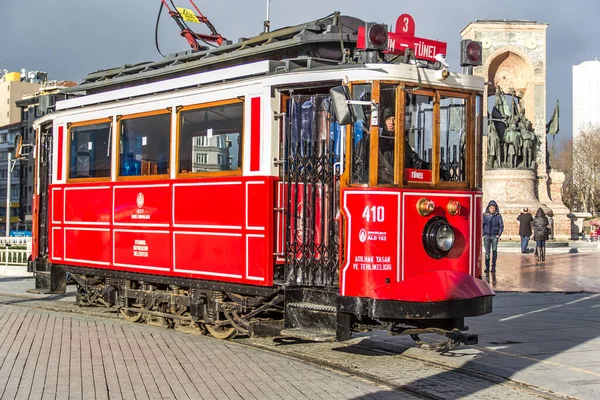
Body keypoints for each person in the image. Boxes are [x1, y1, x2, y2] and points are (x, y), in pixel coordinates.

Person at [482, 200, 503, 273]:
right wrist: (483, 234)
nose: (492, 209)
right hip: (487, 235)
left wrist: (498, 235)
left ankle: (493, 267)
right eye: (491, 208)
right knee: (487, 252)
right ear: (489, 208)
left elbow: (501, 226)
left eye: (493, 208)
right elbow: (482, 225)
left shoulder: (498, 215)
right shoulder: (485, 215)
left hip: (494, 236)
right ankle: (487, 267)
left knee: (494, 251)